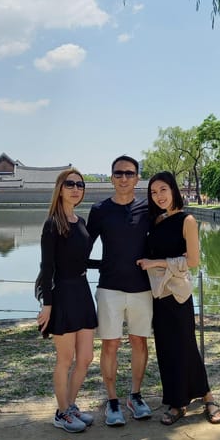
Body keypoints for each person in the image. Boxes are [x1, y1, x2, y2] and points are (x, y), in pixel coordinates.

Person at [137, 171, 220, 426]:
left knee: (186, 345)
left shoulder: (187, 220)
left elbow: (194, 261)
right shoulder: (154, 221)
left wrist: (156, 262)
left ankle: (207, 396)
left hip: (178, 293)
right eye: (154, 192)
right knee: (165, 348)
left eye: (163, 189)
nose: (159, 196)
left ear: (174, 189)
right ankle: (177, 402)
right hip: (157, 294)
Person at [87, 155, 153, 426]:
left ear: (138, 178)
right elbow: (84, 245)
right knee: (110, 344)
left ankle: (135, 395)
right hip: (110, 287)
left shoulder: (149, 210)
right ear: (111, 177)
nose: (124, 178)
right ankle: (112, 400)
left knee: (140, 342)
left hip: (142, 288)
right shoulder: (100, 209)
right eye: (118, 173)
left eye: (129, 173)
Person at [35, 168, 98, 433]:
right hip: (61, 293)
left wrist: (114, 264)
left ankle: (70, 406)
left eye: (80, 185)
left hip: (82, 291)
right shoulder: (52, 224)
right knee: (65, 359)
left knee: (85, 357)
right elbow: (47, 267)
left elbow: (82, 261)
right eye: (70, 184)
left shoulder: (80, 221)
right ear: (60, 188)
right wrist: (47, 304)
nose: (75, 188)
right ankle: (61, 413)